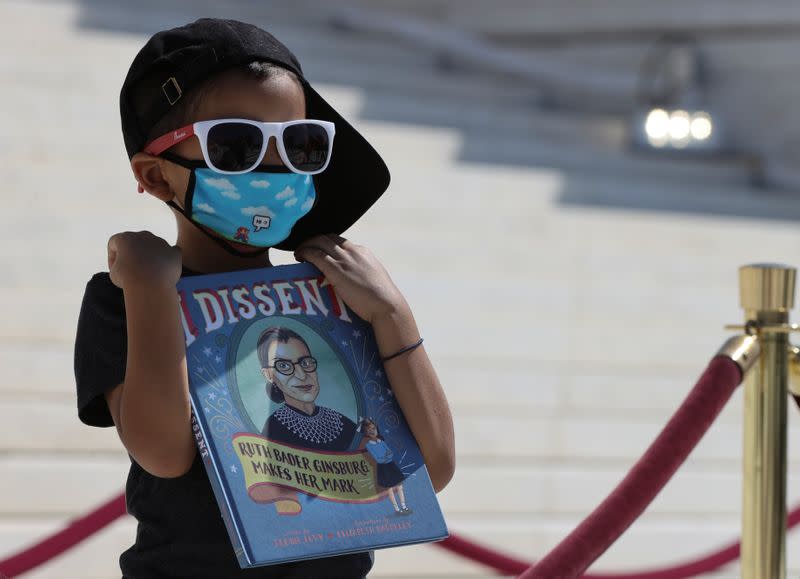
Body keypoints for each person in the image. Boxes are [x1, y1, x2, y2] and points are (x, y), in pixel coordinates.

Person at [73, 18, 455, 579]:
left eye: (299, 144)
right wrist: (154, 291)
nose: (275, 168)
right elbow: (163, 452)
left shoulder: (335, 294)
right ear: (156, 177)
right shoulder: (121, 300)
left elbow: (433, 467)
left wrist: (391, 312)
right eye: (237, 145)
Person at [256, 326, 359, 451]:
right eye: (283, 365)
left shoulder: (339, 421)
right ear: (268, 375)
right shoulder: (274, 429)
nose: (302, 375)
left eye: (305, 363)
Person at [359, 418, 411, 516]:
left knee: (400, 486)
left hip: (391, 466)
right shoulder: (369, 445)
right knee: (389, 489)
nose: (372, 431)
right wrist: (386, 457)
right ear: (366, 433)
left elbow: (390, 453)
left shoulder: (381, 441)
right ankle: (396, 509)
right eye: (369, 430)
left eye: (373, 428)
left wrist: (386, 457)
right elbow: (378, 459)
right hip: (383, 469)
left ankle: (404, 506)